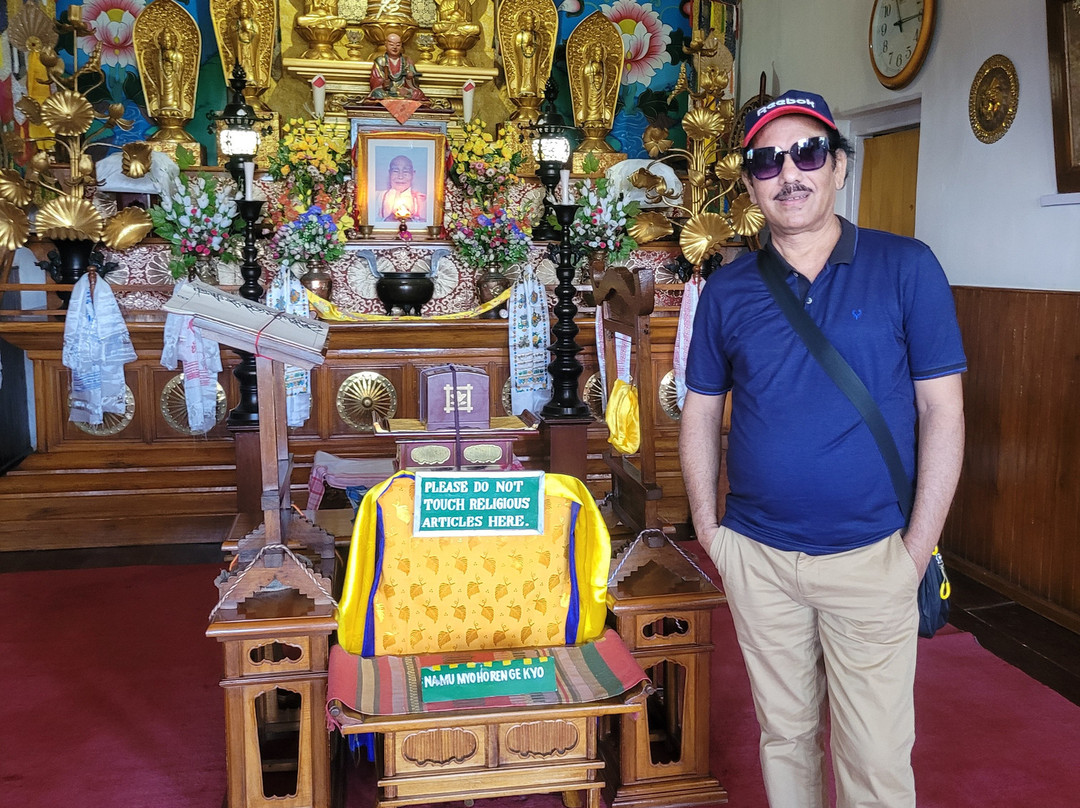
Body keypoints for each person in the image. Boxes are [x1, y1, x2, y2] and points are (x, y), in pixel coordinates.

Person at [679, 89, 966, 808]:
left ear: (840, 167)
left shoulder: (907, 267)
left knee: (874, 757)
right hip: (760, 558)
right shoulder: (727, 289)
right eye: (767, 161)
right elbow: (700, 409)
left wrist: (916, 548)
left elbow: (943, 412)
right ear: (749, 184)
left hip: (874, 555)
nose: (790, 174)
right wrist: (711, 533)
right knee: (785, 737)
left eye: (808, 153)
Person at [368, 33, 426, 101]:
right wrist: (383, 82)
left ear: (401, 46)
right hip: (386, 91)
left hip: (403, 90)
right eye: (391, 45)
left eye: (398, 45)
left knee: (418, 93)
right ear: (386, 45)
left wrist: (409, 78)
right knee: (377, 93)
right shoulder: (381, 61)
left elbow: (414, 81)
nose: (395, 47)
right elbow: (375, 79)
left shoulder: (406, 60)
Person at [379, 154, 427, 221]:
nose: (400, 176)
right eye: (395, 171)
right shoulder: (376, 197)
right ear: (389, 173)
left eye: (405, 171)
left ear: (413, 174)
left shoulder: (424, 201)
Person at [157, 30, 184, 116]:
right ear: (160, 42)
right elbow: (156, 68)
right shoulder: (158, 55)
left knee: (176, 90)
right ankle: (164, 106)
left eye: (169, 41)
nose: (167, 43)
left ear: (173, 41)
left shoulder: (178, 55)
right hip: (163, 78)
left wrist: (173, 62)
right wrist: (161, 62)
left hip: (174, 78)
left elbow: (181, 70)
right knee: (163, 91)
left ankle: (175, 106)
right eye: (164, 41)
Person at [514, 10, 540, 98]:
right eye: (528, 23)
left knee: (531, 74)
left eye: (531, 23)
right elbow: (517, 47)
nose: (530, 26)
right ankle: (523, 88)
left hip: (532, 59)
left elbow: (538, 47)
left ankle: (532, 88)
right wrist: (525, 46)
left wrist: (533, 46)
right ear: (523, 24)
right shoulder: (519, 36)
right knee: (524, 74)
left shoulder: (536, 36)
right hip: (524, 59)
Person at [582, 44, 606, 125]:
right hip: (591, 88)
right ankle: (589, 117)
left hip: (599, 88)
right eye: (597, 54)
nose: (599, 56)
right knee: (590, 101)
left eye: (600, 55)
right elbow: (586, 74)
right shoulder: (589, 66)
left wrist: (600, 77)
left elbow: (603, 75)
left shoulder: (601, 65)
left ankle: (598, 117)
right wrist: (593, 78)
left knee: (599, 104)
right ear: (592, 55)